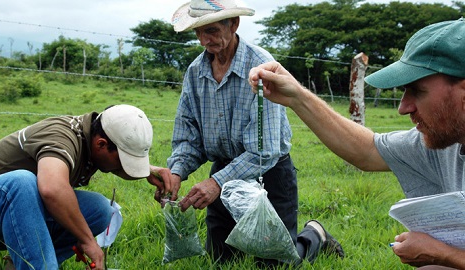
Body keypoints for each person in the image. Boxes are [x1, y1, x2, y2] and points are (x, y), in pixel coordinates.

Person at [248, 18, 465, 269]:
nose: (403, 107)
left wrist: (444, 253)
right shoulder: (445, 143)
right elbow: (368, 150)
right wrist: (297, 97)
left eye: (417, 90)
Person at [161, 0, 344, 266]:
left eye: (210, 30)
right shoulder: (195, 72)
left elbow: (265, 150)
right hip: (224, 173)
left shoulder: (262, 66)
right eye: (198, 32)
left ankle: (315, 234)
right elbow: (190, 137)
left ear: (233, 24)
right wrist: (176, 173)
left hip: (267, 174)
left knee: (275, 262)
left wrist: (215, 184)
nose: (203, 40)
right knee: (223, 262)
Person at [0, 104, 172, 270]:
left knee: (99, 210)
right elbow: (52, 189)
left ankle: (23, 264)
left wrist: (147, 170)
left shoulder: (90, 139)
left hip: (14, 217)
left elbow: (110, 163)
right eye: (124, 160)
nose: (124, 167)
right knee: (21, 183)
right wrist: (88, 240)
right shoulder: (61, 136)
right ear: (101, 144)